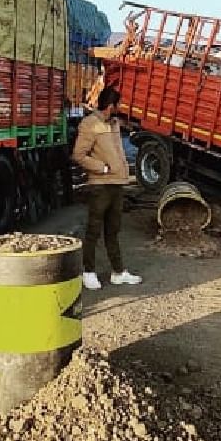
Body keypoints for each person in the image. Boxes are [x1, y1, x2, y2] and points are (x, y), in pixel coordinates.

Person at [72, 85, 142, 290]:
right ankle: (89, 272)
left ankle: (118, 272)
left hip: (117, 184)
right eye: (118, 104)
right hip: (100, 186)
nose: (120, 107)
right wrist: (101, 168)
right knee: (93, 230)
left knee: (113, 231)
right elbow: (78, 155)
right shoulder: (90, 124)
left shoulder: (114, 123)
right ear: (111, 105)